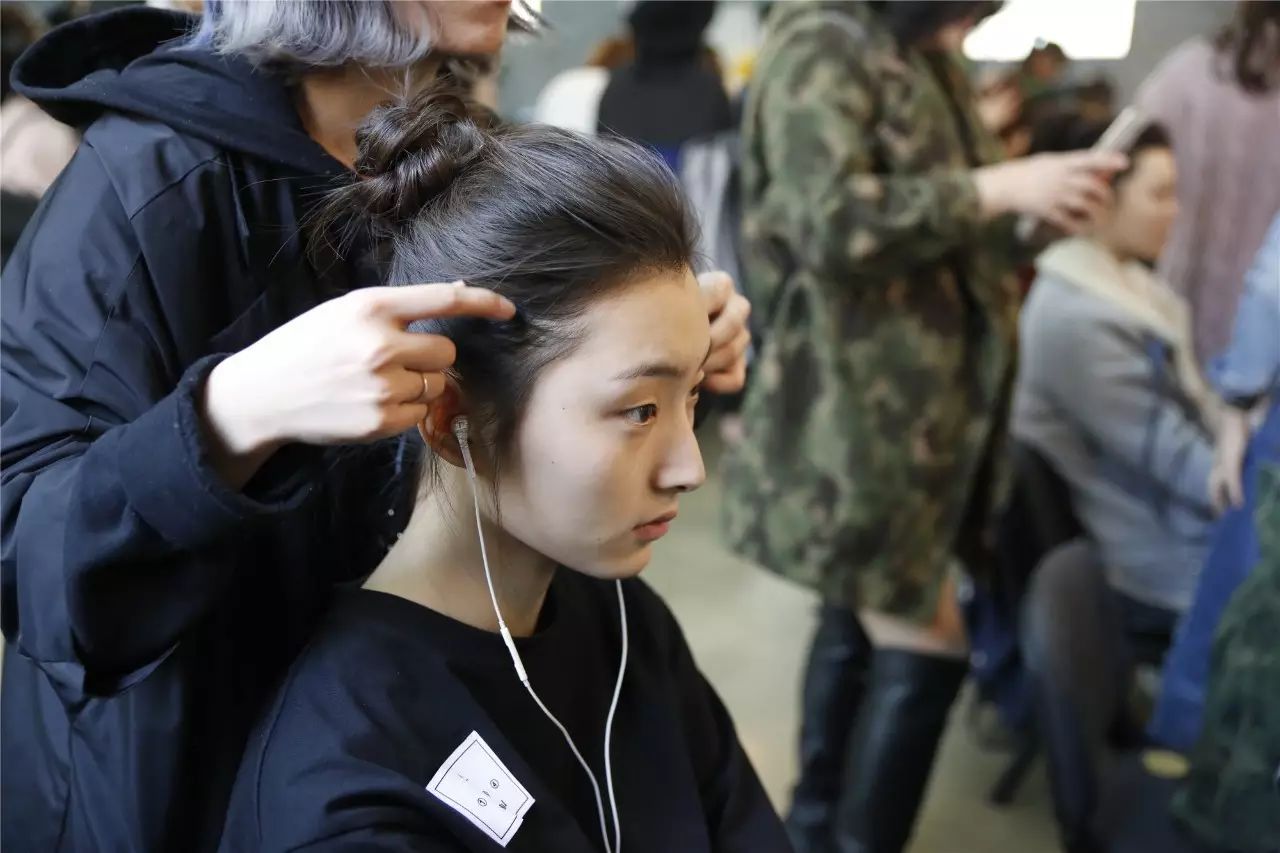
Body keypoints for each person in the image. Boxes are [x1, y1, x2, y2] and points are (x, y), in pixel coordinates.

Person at [0, 3, 751, 850]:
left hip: (414, 711)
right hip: (186, 780)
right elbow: (34, 571)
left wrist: (660, 349)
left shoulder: (462, 147)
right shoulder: (146, 189)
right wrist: (231, 414)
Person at [218, 85, 787, 853]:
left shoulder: (623, 622)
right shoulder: (348, 781)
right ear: (453, 420)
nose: (689, 468)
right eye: (639, 410)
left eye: (690, 395)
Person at [721, 2, 1125, 851]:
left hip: (930, 416)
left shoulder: (918, 51)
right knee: (924, 639)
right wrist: (994, 188)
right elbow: (824, 220)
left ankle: (815, 826)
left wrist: (1031, 216)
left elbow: (956, 229)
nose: (969, 25)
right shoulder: (822, 42)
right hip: (857, 418)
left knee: (853, 620)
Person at [1014, 123, 1218, 644]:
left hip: (1183, 534)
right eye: (1160, 195)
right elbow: (1178, 462)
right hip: (1162, 564)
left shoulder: (1130, 287)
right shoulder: (1077, 319)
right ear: (1098, 201)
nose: (1175, 211)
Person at [1135, 0, 1280, 363]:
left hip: (1172, 305)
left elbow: (1125, 162)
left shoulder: (1186, 71)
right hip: (1257, 334)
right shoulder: (1190, 72)